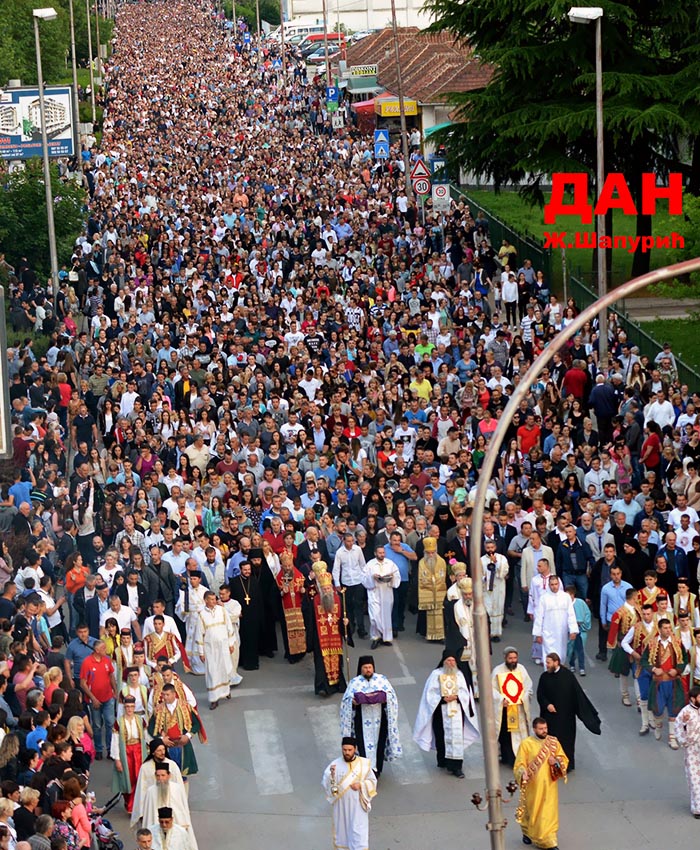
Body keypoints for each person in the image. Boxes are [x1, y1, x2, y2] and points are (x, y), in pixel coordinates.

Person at [413, 651, 480, 778]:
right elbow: (429, 694)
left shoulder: (459, 674)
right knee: (441, 738)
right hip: (440, 711)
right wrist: (442, 698)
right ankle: (443, 760)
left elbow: (466, 693)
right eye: (448, 660)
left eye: (453, 660)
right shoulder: (436, 674)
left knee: (456, 739)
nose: (451, 663)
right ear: (443, 661)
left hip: (457, 712)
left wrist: (457, 697)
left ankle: (456, 767)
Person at [536, 652, 601, 771]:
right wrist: (547, 705)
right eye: (546, 662)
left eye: (549, 663)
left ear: (556, 662)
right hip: (550, 718)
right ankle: (551, 765)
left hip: (566, 718)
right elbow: (540, 695)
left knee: (566, 742)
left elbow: (578, 695)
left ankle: (565, 765)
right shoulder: (544, 677)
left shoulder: (568, 676)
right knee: (550, 742)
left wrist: (588, 717)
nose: (547, 665)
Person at [340, 656, 401, 778]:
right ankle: (366, 770)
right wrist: (352, 702)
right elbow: (346, 700)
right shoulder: (355, 682)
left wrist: (385, 698)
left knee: (379, 744)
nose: (368, 670)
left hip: (379, 720)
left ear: (373, 668)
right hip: (361, 719)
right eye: (365, 667)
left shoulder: (381, 680)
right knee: (362, 745)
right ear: (361, 668)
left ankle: (377, 770)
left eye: (370, 667)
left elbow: (391, 696)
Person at [514, 717, 568, 850]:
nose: (544, 731)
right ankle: (527, 832)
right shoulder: (526, 744)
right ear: (534, 729)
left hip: (549, 785)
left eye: (545, 728)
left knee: (548, 812)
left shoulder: (553, 742)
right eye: (541, 729)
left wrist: (556, 762)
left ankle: (548, 841)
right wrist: (522, 773)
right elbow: (520, 764)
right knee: (531, 810)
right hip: (533, 786)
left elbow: (563, 759)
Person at [321, 737, 377, 850]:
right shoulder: (334, 765)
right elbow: (328, 786)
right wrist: (331, 776)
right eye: (344, 750)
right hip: (341, 808)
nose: (347, 752)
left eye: (349, 750)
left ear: (355, 749)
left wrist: (361, 785)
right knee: (342, 833)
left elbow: (372, 782)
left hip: (358, 807)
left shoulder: (364, 764)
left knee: (359, 834)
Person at [641, 618, 686, 749]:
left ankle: (672, 738)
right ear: (659, 629)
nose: (668, 630)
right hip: (658, 683)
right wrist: (654, 669)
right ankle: (658, 725)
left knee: (673, 710)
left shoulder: (677, 643)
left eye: (669, 628)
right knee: (658, 710)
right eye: (665, 628)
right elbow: (644, 661)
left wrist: (677, 670)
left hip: (673, 682)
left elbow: (684, 659)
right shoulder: (652, 644)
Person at [147, 684, 205, 777]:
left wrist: (187, 736)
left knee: (183, 776)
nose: (165, 697)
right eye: (163, 695)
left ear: (174, 694)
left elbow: (197, 724)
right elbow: (151, 727)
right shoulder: (158, 709)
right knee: (167, 775)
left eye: (167, 694)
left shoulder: (185, 706)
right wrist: (161, 739)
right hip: (166, 748)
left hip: (182, 746)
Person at [193, 590, 236, 709]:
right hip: (210, 648)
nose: (214, 601)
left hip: (223, 646)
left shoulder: (222, 611)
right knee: (212, 672)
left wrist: (231, 643)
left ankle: (226, 691)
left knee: (224, 669)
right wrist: (201, 652)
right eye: (211, 599)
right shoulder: (202, 615)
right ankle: (214, 699)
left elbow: (229, 626)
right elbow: (199, 634)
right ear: (206, 600)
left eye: (214, 599)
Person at [308, 568, 348, 697]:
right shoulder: (315, 601)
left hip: (335, 637)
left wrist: (346, 623)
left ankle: (338, 685)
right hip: (320, 639)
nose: (326, 591)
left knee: (337, 662)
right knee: (321, 664)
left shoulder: (338, 599)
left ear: (331, 588)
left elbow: (343, 616)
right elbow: (310, 620)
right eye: (324, 589)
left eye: (328, 588)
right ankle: (323, 687)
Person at [130, 738, 185, 831]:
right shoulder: (145, 768)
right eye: (159, 750)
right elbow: (141, 791)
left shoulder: (172, 765)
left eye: (163, 749)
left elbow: (179, 789)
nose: (162, 752)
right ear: (153, 752)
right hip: (152, 806)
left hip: (171, 804)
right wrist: (141, 812)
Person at [492, 646, 533, 767]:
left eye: (515, 658)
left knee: (518, 733)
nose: (513, 661)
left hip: (518, 708)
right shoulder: (498, 670)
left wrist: (522, 697)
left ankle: (518, 757)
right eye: (510, 658)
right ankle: (506, 756)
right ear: (505, 658)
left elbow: (528, 687)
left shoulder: (521, 669)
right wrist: (501, 700)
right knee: (505, 734)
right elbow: (492, 689)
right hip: (504, 709)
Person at [141, 764, 197, 850]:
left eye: (163, 775)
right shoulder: (150, 791)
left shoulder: (177, 789)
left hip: (175, 826)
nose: (160, 778)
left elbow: (182, 808)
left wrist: (183, 823)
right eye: (158, 776)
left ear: (169, 775)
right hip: (156, 828)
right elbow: (148, 814)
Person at [78, 639, 116, 761]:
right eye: (103, 648)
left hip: (108, 697)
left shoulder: (107, 660)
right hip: (94, 700)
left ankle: (110, 749)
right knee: (97, 725)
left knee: (110, 723)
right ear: (97, 650)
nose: (106, 650)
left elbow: (111, 675)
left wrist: (115, 691)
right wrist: (93, 698)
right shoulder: (87, 663)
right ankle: (99, 749)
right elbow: (83, 683)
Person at [110, 694, 147, 812]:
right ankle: (129, 803)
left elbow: (146, 737)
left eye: (131, 706)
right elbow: (115, 741)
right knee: (128, 778)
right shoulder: (119, 722)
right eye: (127, 706)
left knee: (139, 777)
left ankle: (138, 805)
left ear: (134, 707)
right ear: (124, 707)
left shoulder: (140, 720)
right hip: (126, 753)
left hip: (139, 752)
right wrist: (117, 759)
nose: (129, 709)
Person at [444, 577, 479, 696]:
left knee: (479, 667)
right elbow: (452, 628)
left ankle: (479, 692)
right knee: (464, 670)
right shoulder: (455, 607)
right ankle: (467, 692)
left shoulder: (479, 605)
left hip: (477, 643)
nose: (468, 597)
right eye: (465, 594)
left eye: (470, 594)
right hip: (462, 645)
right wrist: (461, 642)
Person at [606, 587, 640, 707]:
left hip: (636, 645)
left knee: (637, 673)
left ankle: (639, 699)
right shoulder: (620, 612)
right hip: (623, 645)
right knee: (623, 673)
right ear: (634, 597)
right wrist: (613, 643)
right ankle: (625, 696)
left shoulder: (638, 610)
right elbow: (614, 629)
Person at [532, 576, 578, 665]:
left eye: (556, 584)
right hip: (548, 632)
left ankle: (560, 670)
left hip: (562, 632)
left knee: (562, 654)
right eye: (552, 584)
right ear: (549, 585)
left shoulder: (566, 597)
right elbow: (539, 617)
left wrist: (573, 630)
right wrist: (538, 634)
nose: (554, 587)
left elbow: (571, 614)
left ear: (559, 584)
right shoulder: (544, 598)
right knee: (549, 656)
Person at [362, 545, 400, 649]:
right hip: (374, 593)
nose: (382, 555)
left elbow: (397, 576)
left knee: (386, 616)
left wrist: (392, 577)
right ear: (375, 553)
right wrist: (372, 577)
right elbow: (364, 578)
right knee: (374, 617)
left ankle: (386, 638)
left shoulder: (390, 563)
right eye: (380, 553)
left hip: (387, 592)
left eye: (383, 553)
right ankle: (376, 637)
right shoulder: (370, 564)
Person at [229, 561, 262, 671]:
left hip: (253, 615)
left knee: (253, 639)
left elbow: (259, 599)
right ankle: (242, 661)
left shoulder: (254, 581)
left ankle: (253, 662)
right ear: (240, 570)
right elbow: (231, 600)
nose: (247, 572)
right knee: (242, 638)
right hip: (241, 615)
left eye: (249, 569)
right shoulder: (234, 582)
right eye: (245, 570)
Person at [275, 552, 307, 663]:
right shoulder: (279, 577)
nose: (288, 568)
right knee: (288, 632)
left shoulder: (299, 575)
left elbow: (303, 590)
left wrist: (303, 591)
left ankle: (300, 652)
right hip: (285, 609)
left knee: (300, 629)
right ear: (282, 565)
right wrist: (282, 592)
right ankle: (290, 654)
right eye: (286, 566)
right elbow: (276, 595)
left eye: (290, 565)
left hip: (298, 608)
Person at [674, 686, 700, 818]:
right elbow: (678, 727)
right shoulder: (685, 712)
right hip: (693, 750)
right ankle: (698, 808)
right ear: (693, 698)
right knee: (695, 779)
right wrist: (685, 725)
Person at [175, 571, 207, 675]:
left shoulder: (205, 591)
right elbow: (179, 605)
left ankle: (204, 666)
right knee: (192, 641)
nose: (192, 581)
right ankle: (192, 665)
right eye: (191, 579)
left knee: (202, 641)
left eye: (195, 579)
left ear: (199, 580)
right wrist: (184, 611)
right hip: (191, 619)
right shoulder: (186, 591)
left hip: (202, 619)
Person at [415, 537, 447, 642]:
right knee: (428, 614)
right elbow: (421, 577)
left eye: (433, 552)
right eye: (428, 553)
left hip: (439, 591)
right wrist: (430, 581)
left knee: (439, 614)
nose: (431, 555)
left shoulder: (441, 561)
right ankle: (429, 634)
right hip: (427, 591)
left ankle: (440, 635)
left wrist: (435, 580)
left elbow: (442, 576)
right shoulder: (421, 563)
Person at [480, 540, 509, 641]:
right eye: (488, 548)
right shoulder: (481, 560)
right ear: (485, 548)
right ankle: (487, 632)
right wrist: (485, 578)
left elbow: (504, 572)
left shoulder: (502, 558)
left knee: (498, 608)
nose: (490, 550)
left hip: (499, 588)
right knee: (488, 609)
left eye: (492, 547)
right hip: (486, 589)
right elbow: (478, 574)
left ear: (495, 548)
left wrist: (496, 563)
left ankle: (496, 633)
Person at [566, 584, 591, 676]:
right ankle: (572, 664)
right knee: (570, 649)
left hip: (580, 630)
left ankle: (581, 667)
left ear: (573, 594)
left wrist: (584, 625)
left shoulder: (581, 603)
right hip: (569, 631)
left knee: (580, 649)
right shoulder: (564, 604)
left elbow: (587, 614)